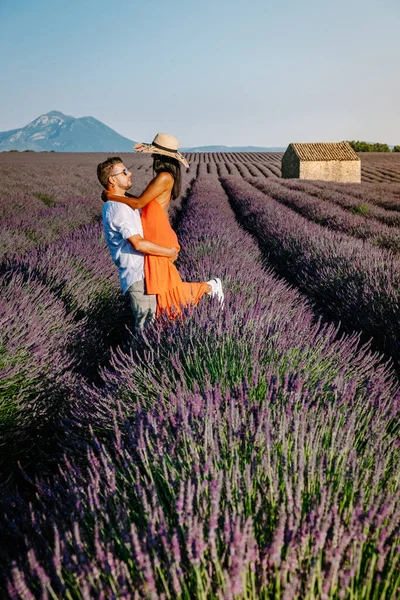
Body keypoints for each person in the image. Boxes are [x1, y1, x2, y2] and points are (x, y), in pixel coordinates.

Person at [102, 133, 224, 320]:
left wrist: (111, 196)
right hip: (155, 231)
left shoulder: (164, 177)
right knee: (165, 289)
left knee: (166, 289)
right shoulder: (163, 177)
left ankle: (209, 287)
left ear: (160, 157)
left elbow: (138, 203)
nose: (152, 157)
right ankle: (208, 288)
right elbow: (139, 201)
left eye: (155, 154)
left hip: (158, 233)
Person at [98, 156, 179, 331]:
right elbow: (139, 244)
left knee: (158, 328)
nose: (130, 173)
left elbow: (138, 203)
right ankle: (209, 289)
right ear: (112, 179)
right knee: (146, 333)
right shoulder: (117, 208)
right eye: (124, 171)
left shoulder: (124, 205)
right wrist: (168, 252)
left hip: (148, 274)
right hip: (138, 277)